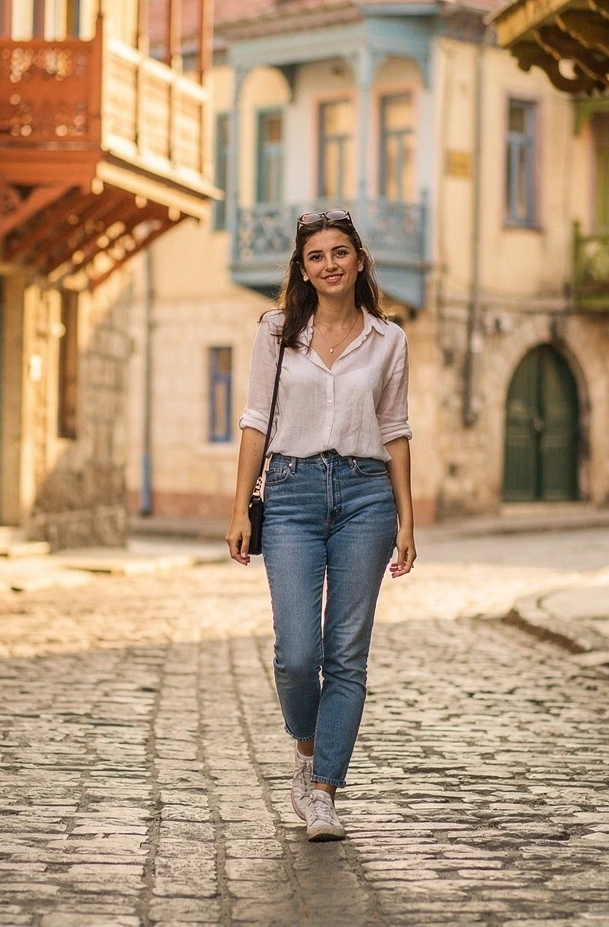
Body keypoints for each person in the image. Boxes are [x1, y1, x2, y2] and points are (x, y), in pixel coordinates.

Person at [225, 209, 416, 844]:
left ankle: (325, 792)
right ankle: (305, 750)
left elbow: (395, 430)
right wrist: (237, 510)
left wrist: (407, 518)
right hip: (290, 494)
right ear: (302, 270)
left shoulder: (389, 340)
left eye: (340, 252)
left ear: (359, 260)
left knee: (347, 655)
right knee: (297, 653)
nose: (329, 264)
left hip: (367, 497)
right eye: (316, 256)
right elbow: (256, 417)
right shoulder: (277, 331)